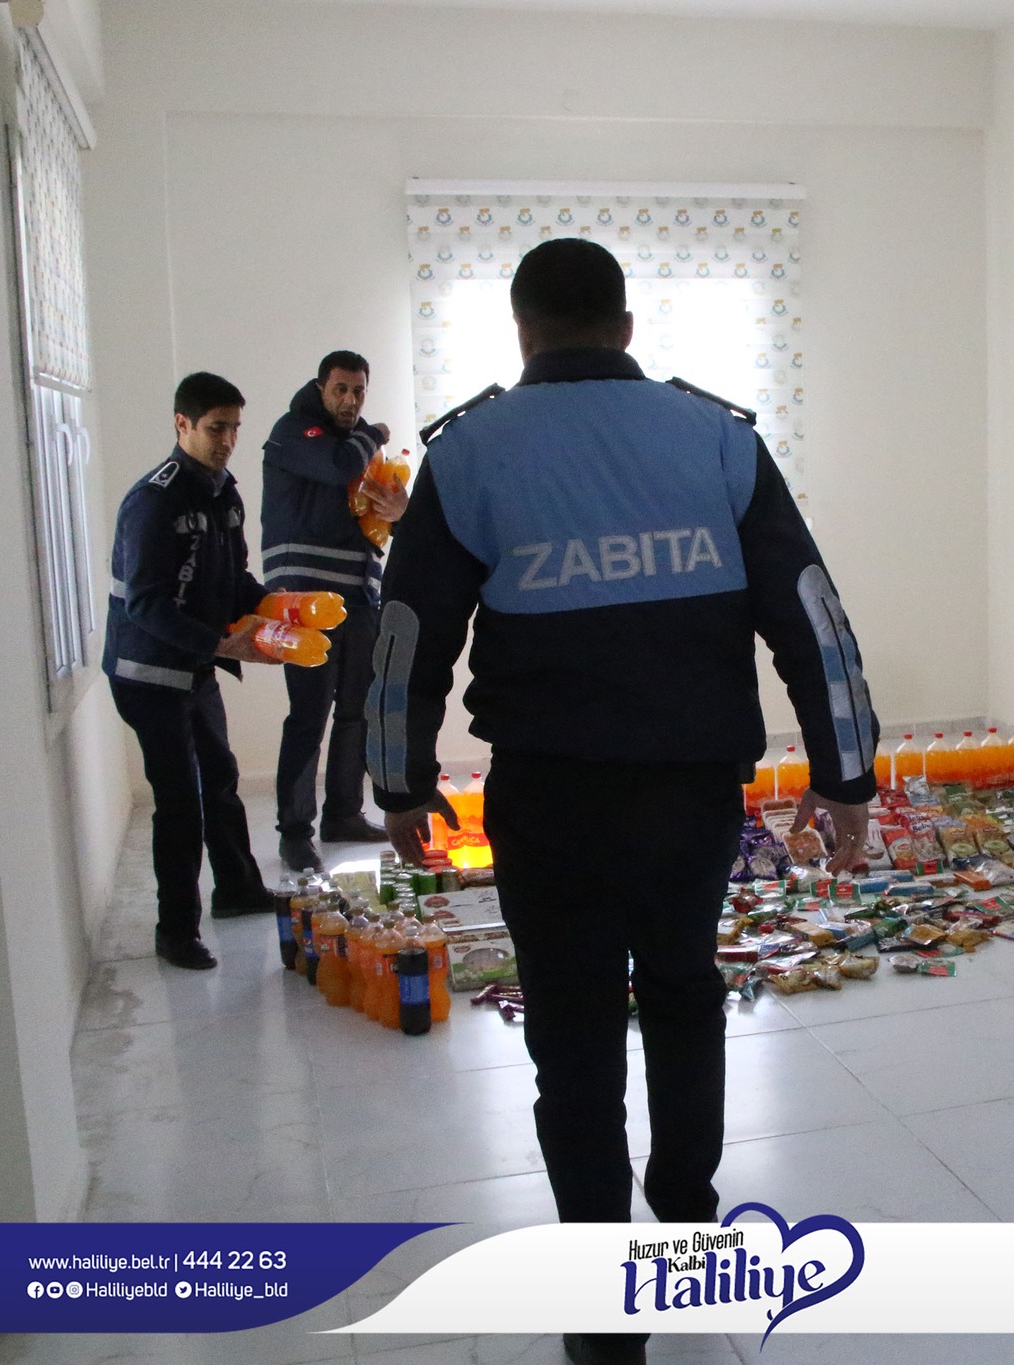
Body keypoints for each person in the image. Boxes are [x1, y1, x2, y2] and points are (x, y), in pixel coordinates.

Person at [366, 239, 877, 1365]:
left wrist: (397, 779)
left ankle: (606, 1315)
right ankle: (686, 1234)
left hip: (548, 800)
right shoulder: (716, 438)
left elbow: (406, 635)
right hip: (690, 796)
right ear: (628, 326)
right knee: (685, 997)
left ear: (521, 331)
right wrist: (845, 775)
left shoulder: (472, 452)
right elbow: (811, 613)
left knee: (574, 1033)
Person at [104, 372, 280, 970]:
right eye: (215, 428)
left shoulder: (224, 493)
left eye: (234, 428)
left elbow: (234, 582)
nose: (227, 440)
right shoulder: (154, 501)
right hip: (148, 674)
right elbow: (145, 604)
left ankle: (238, 888)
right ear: (182, 425)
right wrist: (225, 645)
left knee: (221, 776)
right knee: (180, 800)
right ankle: (176, 929)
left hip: (196, 666)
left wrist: (280, 608)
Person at [260, 350, 409, 872]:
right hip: (304, 599)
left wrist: (399, 509)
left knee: (357, 711)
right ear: (321, 388)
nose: (350, 400)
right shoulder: (295, 432)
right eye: (341, 389)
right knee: (309, 714)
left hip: (358, 595)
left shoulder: (358, 447)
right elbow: (337, 467)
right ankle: (294, 832)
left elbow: (379, 514)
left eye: (359, 391)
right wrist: (375, 433)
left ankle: (343, 814)